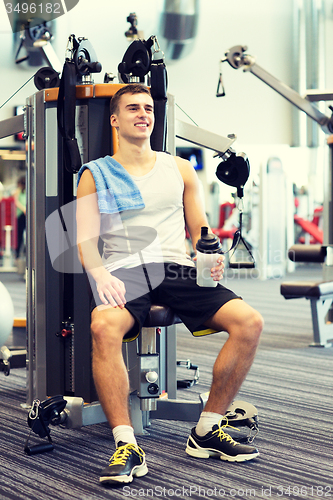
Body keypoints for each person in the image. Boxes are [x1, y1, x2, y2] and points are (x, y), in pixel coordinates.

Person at [76, 84, 264, 486]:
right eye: (132, 108)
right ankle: (126, 444)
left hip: (176, 268)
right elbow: (85, 241)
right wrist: (100, 273)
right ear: (115, 119)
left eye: (147, 108)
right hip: (126, 269)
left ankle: (207, 430)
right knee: (101, 325)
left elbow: (200, 228)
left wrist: (207, 256)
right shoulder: (96, 174)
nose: (143, 114)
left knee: (249, 322)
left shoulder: (178, 168)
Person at [13, 175, 26, 261]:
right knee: (19, 235)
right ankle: (17, 253)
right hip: (20, 214)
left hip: (26, 214)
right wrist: (24, 209)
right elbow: (16, 202)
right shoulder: (17, 192)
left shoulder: (26, 191)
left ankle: (25, 252)